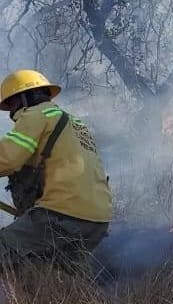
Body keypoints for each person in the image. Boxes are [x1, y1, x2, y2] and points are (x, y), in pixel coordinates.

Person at [0, 69, 113, 268]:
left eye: (11, 103)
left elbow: (7, 159)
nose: (11, 112)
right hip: (97, 222)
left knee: (5, 249)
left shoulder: (35, 115)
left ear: (24, 98)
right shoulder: (75, 123)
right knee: (49, 273)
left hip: (62, 215)